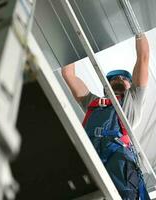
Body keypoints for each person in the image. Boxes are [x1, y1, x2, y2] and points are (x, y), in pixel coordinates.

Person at [62, 32, 150, 200]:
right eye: (113, 78)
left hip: (118, 157)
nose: (118, 78)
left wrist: (138, 31)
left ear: (131, 86)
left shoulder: (133, 102)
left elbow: (143, 58)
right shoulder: (93, 102)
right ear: (106, 86)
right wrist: (70, 37)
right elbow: (68, 74)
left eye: (124, 78)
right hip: (89, 154)